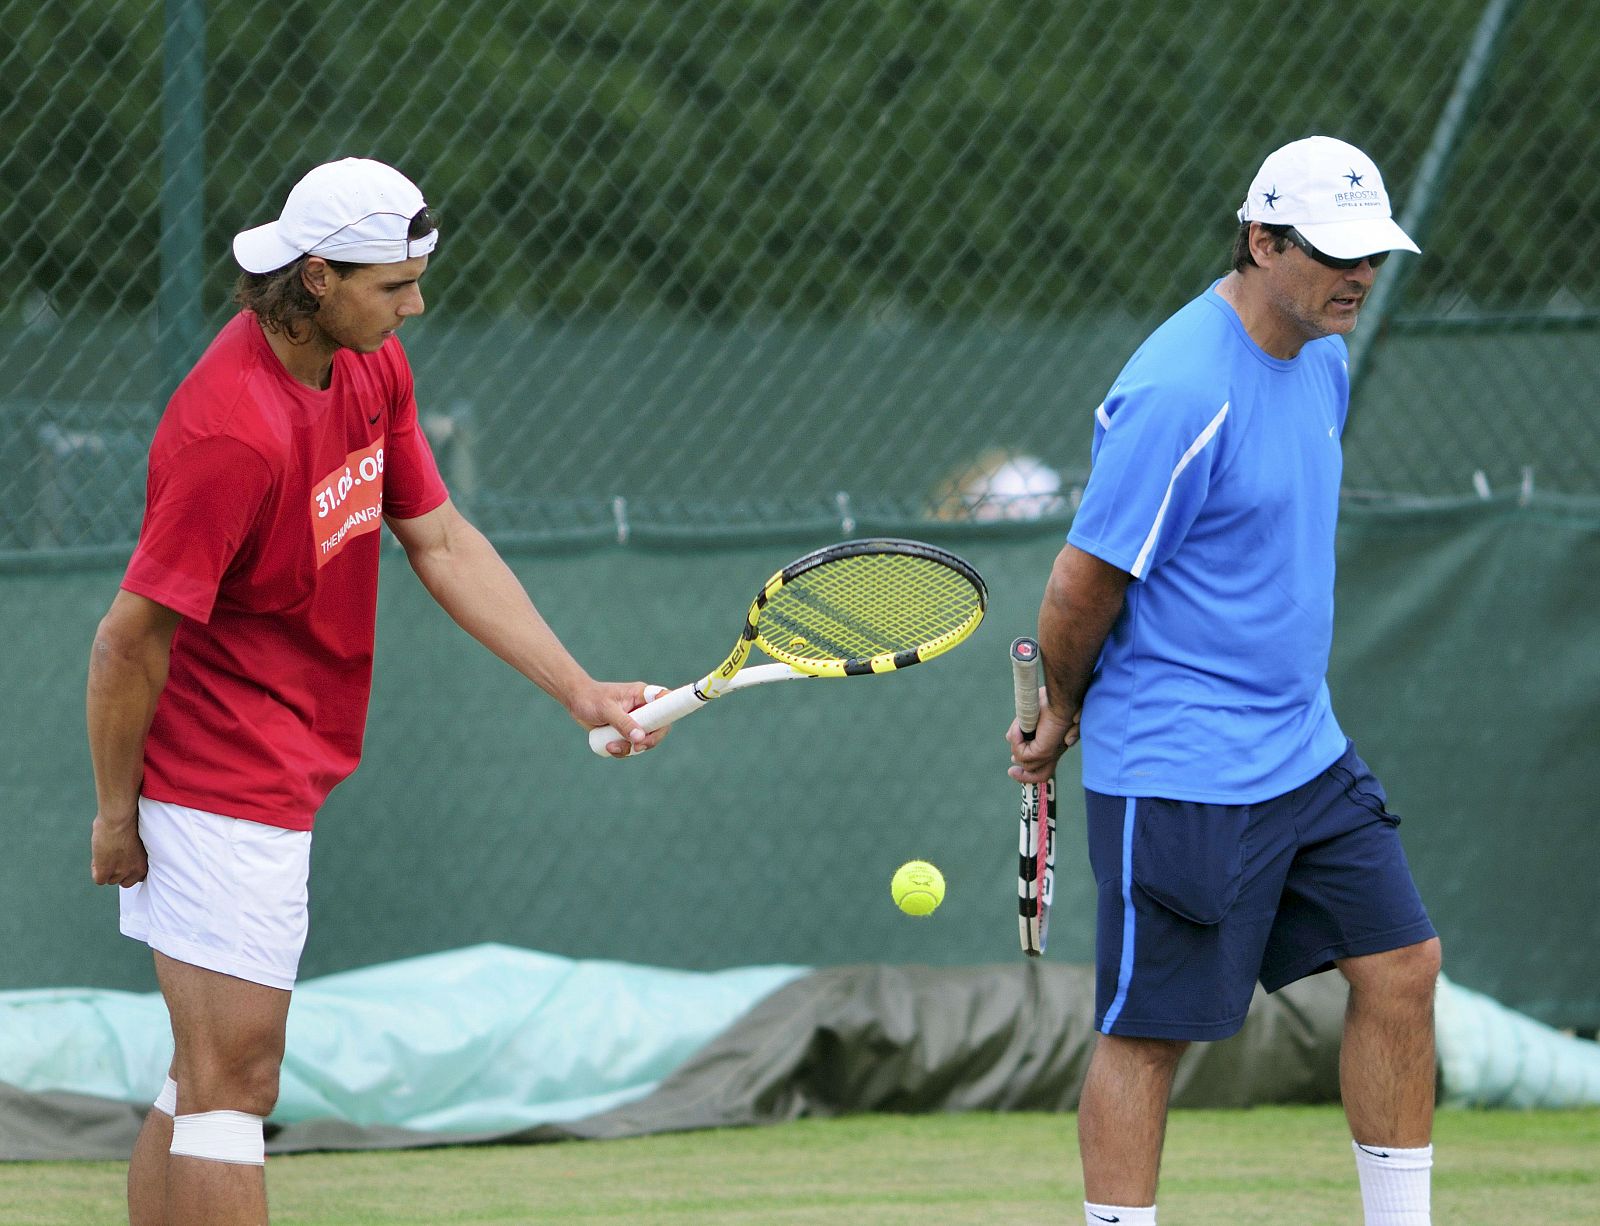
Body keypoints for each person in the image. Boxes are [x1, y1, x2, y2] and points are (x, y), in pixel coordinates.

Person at [87, 157, 664, 1226]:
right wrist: (118, 812)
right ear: (315, 278)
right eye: (392, 286)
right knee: (236, 1084)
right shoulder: (231, 432)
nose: (416, 305)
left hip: (283, 764)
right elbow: (127, 641)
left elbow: (440, 539)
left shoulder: (369, 369)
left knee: (201, 1072)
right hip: (215, 776)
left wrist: (580, 689)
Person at [1008, 135, 1442, 1226]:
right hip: (1184, 764)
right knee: (1150, 1033)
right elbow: (1078, 585)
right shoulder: (1176, 390)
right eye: (1337, 253)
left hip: (1305, 749)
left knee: (1401, 965)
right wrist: (1063, 706)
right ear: (1261, 238)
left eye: (1373, 253)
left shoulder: (1327, 354)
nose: (1360, 276)